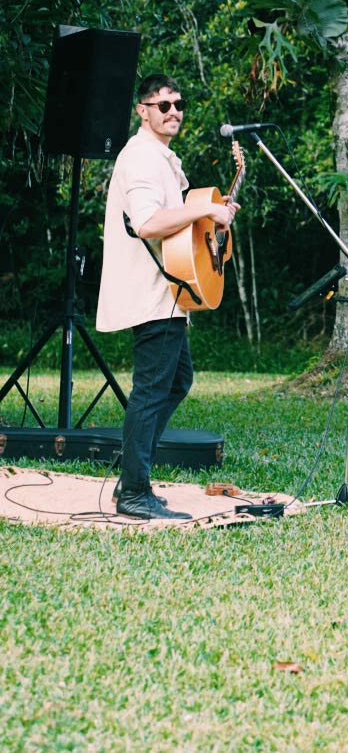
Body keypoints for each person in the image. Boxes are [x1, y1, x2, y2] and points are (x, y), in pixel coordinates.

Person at [97, 74, 236, 520]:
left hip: (171, 292)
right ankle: (135, 491)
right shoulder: (139, 157)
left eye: (178, 104)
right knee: (152, 390)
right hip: (152, 291)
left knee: (175, 382)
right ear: (143, 110)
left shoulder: (160, 157)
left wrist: (214, 222)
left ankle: (131, 479)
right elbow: (147, 223)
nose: (173, 111)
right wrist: (203, 208)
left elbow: (177, 225)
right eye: (163, 105)